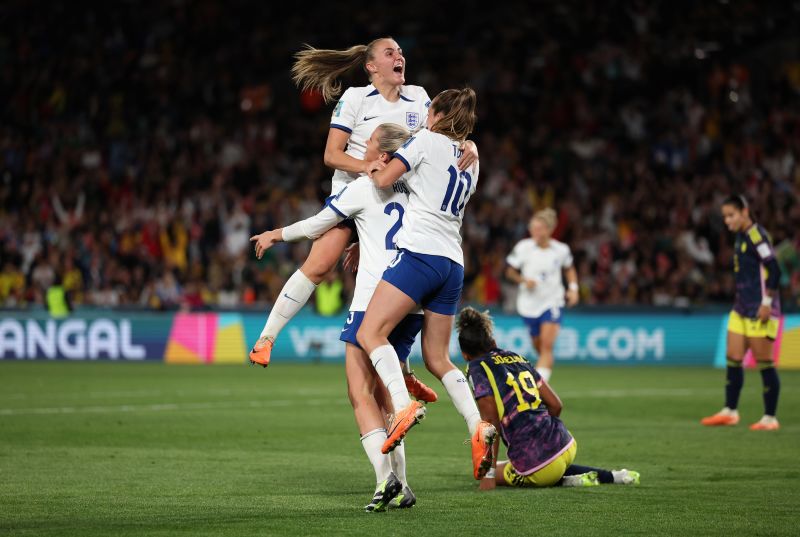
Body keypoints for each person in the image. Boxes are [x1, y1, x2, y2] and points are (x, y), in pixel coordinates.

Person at [249, 36, 477, 400]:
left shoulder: (419, 96)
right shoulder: (355, 99)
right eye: (390, 52)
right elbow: (331, 155)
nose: (399, 56)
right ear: (371, 66)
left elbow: (446, 129)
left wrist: (469, 144)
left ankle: (403, 372)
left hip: (400, 203)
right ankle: (267, 338)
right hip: (358, 194)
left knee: (396, 289)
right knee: (321, 265)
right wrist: (366, 166)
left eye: (401, 51)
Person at [251, 123, 422, 511]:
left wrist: (275, 235)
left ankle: (385, 482)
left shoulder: (363, 187)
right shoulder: (418, 189)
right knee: (385, 396)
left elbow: (316, 226)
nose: (360, 149)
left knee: (360, 393)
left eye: (369, 144)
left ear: (382, 157)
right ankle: (404, 484)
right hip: (412, 301)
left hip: (373, 302)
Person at [355, 87, 497, 481]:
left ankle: (402, 404)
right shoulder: (471, 159)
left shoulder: (425, 141)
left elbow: (384, 180)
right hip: (453, 261)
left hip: (420, 253)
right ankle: (476, 425)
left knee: (371, 332)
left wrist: (369, 167)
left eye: (429, 110)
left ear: (436, 114)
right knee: (438, 359)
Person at [456, 306, 640, 489]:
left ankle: (564, 480)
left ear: (465, 355)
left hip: (538, 465)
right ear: (493, 342)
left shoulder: (476, 368)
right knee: (545, 463)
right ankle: (615, 476)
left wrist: (488, 477)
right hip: (565, 444)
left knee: (489, 471)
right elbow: (556, 405)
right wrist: (541, 433)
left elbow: (490, 422)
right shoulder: (517, 358)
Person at [701, 194, 782, 431]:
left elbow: (775, 270)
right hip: (740, 307)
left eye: (731, 215)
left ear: (744, 212)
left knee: (764, 362)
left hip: (760, 308)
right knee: (733, 357)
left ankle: (770, 418)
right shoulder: (741, 236)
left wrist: (767, 302)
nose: (727, 220)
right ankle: (730, 411)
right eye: (725, 216)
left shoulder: (756, 235)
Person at [505, 208, 578, 383]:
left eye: (539, 228)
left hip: (552, 302)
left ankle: (535, 388)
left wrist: (573, 288)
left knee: (546, 346)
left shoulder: (561, 250)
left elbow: (569, 269)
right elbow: (509, 272)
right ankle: (543, 375)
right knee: (540, 348)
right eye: (533, 228)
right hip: (529, 305)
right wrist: (523, 280)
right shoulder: (523, 248)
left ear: (549, 229)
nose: (535, 232)